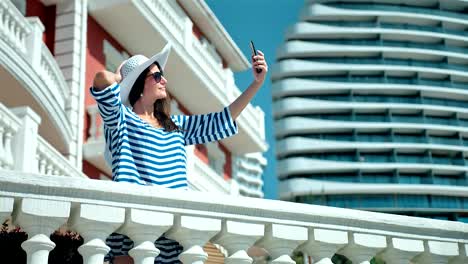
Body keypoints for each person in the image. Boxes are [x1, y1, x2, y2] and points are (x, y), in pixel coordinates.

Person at [90, 43, 268, 263]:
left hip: (172, 235)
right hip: (132, 230)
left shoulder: (175, 126)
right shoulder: (121, 120)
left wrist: (256, 84)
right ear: (139, 82)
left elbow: (222, 119)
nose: (164, 80)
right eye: (156, 76)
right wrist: (121, 76)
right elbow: (100, 80)